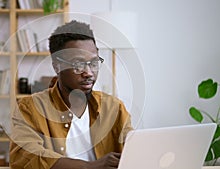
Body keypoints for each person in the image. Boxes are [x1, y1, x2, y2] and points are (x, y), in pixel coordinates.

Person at [9, 20, 133, 169]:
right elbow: (27, 157)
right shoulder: (30, 108)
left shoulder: (114, 107)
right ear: (57, 66)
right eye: (78, 64)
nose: (88, 73)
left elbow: (134, 146)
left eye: (93, 63)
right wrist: (90, 167)